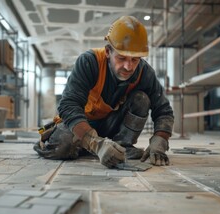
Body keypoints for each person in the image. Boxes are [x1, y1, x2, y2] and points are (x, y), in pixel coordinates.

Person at [34, 16, 174, 168]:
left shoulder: (144, 72)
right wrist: (96, 144)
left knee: (142, 99)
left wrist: (160, 140)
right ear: (108, 51)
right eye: (121, 58)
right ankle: (89, 146)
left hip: (109, 125)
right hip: (80, 124)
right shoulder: (89, 62)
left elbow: (164, 111)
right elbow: (68, 105)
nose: (128, 67)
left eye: (135, 60)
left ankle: (121, 146)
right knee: (63, 147)